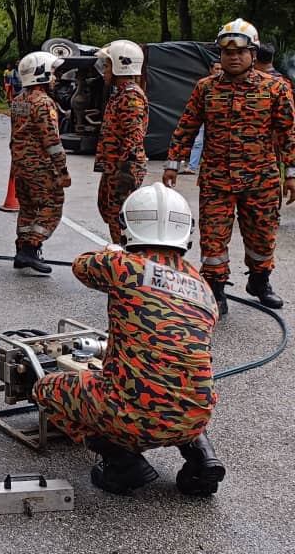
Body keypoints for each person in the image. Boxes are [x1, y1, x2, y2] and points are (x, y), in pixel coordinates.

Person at [33, 183, 224, 497]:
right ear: (186, 231)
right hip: (195, 415)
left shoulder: (122, 266)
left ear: (127, 227)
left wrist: (111, 253)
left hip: (132, 417)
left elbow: (81, 266)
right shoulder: (202, 286)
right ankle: (202, 456)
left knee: (44, 390)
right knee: (179, 384)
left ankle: (123, 463)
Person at [163, 18, 295, 313]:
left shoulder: (275, 89)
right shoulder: (206, 88)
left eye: (240, 53)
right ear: (219, 55)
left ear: (253, 54)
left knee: (262, 238)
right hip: (216, 181)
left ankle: (260, 282)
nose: (233, 58)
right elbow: (187, 126)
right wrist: (173, 163)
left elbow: (288, 133)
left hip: (261, 180)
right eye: (227, 53)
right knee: (213, 242)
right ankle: (216, 291)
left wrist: (292, 174)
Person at [9, 50, 70, 274]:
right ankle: (31, 248)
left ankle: (22, 251)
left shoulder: (18, 101)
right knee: (52, 205)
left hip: (21, 167)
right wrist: (62, 170)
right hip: (41, 167)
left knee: (27, 208)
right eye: (52, 72)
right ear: (41, 74)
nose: (55, 77)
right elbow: (52, 141)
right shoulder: (43, 103)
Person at [93, 40, 148, 244]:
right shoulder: (120, 94)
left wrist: (126, 171)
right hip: (114, 166)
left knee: (119, 215)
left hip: (124, 167)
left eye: (107, 65)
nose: (104, 70)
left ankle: (124, 257)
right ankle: (120, 249)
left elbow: (133, 137)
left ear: (120, 65)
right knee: (107, 209)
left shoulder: (131, 96)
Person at [181, 62, 222, 175]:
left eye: (221, 69)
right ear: (211, 69)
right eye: (217, 68)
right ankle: (192, 166)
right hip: (204, 116)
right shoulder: (205, 84)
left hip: (219, 120)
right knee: (197, 142)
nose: (219, 71)